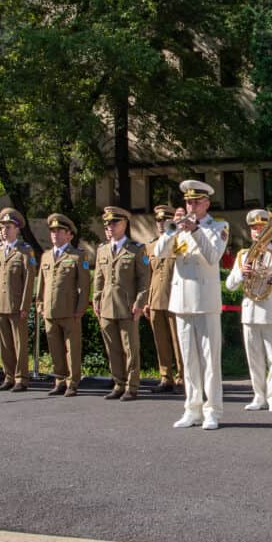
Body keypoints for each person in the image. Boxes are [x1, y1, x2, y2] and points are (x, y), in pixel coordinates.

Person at [149, 180, 229, 430]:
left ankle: (212, 410)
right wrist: (171, 230)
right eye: (188, 202)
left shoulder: (218, 226)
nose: (191, 205)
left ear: (206, 203)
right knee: (189, 360)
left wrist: (195, 229)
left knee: (209, 360)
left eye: (196, 201)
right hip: (181, 301)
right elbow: (159, 253)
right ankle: (192, 408)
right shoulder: (178, 228)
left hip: (205, 302)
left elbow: (213, 255)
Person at [225, 209, 272, 413]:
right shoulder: (243, 255)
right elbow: (231, 284)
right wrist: (242, 274)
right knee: (254, 358)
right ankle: (259, 396)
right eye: (253, 228)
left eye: (261, 227)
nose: (257, 232)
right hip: (250, 312)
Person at [93, 207, 152, 401]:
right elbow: (99, 278)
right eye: (107, 224)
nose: (109, 227)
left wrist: (140, 303)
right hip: (107, 306)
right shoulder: (102, 249)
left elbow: (145, 279)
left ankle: (132, 386)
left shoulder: (136, 249)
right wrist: (96, 299)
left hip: (127, 306)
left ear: (124, 224)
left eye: (114, 223)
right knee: (113, 348)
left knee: (130, 349)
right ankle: (118, 383)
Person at [37, 213, 92, 396]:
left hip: (70, 311)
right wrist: (39, 304)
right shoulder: (45, 256)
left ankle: (72, 382)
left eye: (60, 231)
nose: (55, 235)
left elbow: (84, 286)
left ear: (69, 235)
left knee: (72, 349)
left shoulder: (77, 256)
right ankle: (59, 380)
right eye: (53, 231)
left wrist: (80, 309)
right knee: (55, 349)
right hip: (50, 311)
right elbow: (42, 284)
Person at [0, 208, 37, 392]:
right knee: (4, 344)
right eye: (1, 228)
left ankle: (21, 378)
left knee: (19, 344)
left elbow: (29, 281)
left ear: (17, 229)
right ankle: (8, 375)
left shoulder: (25, 251)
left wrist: (25, 306)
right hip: (0, 304)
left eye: (8, 227)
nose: (4, 231)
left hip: (16, 306)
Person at [144, 205, 183, 393]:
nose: (160, 223)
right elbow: (147, 276)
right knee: (161, 342)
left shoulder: (178, 242)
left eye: (164, 220)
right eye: (158, 220)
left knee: (178, 341)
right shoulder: (150, 246)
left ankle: (182, 378)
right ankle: (165, 376)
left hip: (175, 299)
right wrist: (145, 301)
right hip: (156, 299)